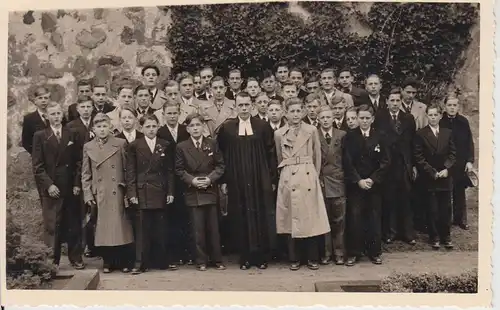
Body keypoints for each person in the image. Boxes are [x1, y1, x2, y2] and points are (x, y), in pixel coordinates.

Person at [217, 91, 277, 270]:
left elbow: (271, 153)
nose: (243, 109)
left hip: (259, 178)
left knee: (260, 215)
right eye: (240, 105)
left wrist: (271, 178)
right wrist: (224, 180)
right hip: (238, 179)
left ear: (252, 105)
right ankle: (245, 257)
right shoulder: (227, 128)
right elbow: (222, 155)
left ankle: (260, 257)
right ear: (235, 106)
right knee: (240, 215)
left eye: (246, 105)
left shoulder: (262, 126)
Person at [275, 97, 330, 271]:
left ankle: (312, 257)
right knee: (292, 218)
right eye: (292, 111)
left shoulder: (312, 130)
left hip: (307, 175)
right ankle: (295, 258)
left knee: (310, 218)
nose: (296, 114)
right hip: (289, 175)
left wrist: (315, 175)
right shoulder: (279, 133)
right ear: (286, 113)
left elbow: (317, 155)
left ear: (304, 112)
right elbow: (279, 157)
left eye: (299, 111)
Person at [32, 102, 85, 270]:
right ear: (47, 116)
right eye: (52, 114)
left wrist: (77, 183)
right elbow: (37, 166)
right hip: (52, 187)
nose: (56, 117)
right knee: (52, 224)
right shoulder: (40, 136)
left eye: (58, 114)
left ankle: (75, 257)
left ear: (62, 115)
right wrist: (49, 185)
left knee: (74, 223)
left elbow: (78, 161)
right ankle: (52, 261)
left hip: (70, 186)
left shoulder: (72, 134)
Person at [81, 113, 134, 273]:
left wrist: (127, 191)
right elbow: (86, 173)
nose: (102, 130)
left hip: (117, 190)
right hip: (100, 192)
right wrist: (88, 194)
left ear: (110, 127)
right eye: (98, 127)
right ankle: (107, 261)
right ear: (93, 129)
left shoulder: (120, 143)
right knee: (103, 229)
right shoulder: (88, 147)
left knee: (120, 228)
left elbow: (127, 169)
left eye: (105, 126)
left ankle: (123, 261)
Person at [175, 113, 227, 271]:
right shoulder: (181, 147)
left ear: (203, 126)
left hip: (210, 189)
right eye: (192, 126)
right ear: (188, 129)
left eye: (198, 125)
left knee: (213, 227)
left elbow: (220, 166)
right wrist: (192, 180)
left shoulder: (212, 143)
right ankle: (201, 260)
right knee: (197, 229)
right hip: (193, 191)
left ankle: (217, 259)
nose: (195, 128)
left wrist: (210, 179)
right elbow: (179, 169)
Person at [126, 114, 176, 274]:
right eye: (147, 126)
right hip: (142, 191)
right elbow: (131, 172)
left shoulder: (165, 144)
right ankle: (140, 263)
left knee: (161, 228)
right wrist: (132, 192)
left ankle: (162, 261)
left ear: (158, 127)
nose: (151, 129)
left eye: (154, 126)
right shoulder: (134, 145)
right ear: (141, 128)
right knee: (142, 229)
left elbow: (169, 171)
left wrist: (170, 191)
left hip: (160, 190)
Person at [343, 104, 391, 266]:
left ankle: (375, 252)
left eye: (366, 118)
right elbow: (347, 162)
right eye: (361, 118)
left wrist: (373, 179)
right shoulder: (350, 137)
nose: (364, 121)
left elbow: (386, 161)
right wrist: (358, 180)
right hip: (356, 185)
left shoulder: (381, 136)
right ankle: (354, 252)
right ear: (357, 119)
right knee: (355, 218)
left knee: (374, 217)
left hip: (374, 185)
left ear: (372, 119)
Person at [374, 88, 417, 245]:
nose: (394, 103)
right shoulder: (380, 117)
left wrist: (413, 165)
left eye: (397, 101)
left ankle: (407, 233)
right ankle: (390, 232)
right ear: (387, 102)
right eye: (392, 100)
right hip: (387, 165)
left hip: (404, 164)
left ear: (401, 102)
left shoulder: (408, 118)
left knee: (405, 199)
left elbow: (413, 143)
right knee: (389, 199)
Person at [414, 104, 456, 249]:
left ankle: (446, 235)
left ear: (440, 116)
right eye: (430, 115)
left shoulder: (447, 133)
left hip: (445, 176)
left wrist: (447, 169)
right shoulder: (421, 134)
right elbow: (418, 157)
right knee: (432, 208)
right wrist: (431, 171)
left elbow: (453, 154)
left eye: (435, 115)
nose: (432, 118)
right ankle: (434, 236)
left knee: (446, 208)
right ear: (426, 116)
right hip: (430, 177)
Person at [157, 103, 193, 265]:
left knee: (186, 216)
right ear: (163, 114)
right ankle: (173, 254)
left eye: (175, 113)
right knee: (170, 217)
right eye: (169, 113)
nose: (172, 116)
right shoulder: (160, 132)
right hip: (167, 179)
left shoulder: (186, 131)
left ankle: (187, 252)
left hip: (185, 178)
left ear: (179, 113)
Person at [317, 105, 347, 266]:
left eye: (328, 117)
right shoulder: (314, 135)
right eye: (323, 118)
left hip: (338, 182)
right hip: (321, 182)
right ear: (318, 119)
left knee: (339, 219)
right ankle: (326, 252)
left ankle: (339, 252)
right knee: (324, 219)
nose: (326, 120)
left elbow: (347, 159)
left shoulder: (342, 135)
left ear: (333, 118)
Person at [66, 95, 96, 258]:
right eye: (83, 107)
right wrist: (76, 182)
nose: (86, 110)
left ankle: (94, 247)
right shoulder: (71, 127)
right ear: (77, 109)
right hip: (78, 176)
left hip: (97, 174)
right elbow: (71, 158)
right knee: (78, 216)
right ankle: (77, 253)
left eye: (88, 107)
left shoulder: (98, 124)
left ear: (93, 108)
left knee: (95, 213)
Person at [439, 96, 475, 230]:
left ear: (458, 107)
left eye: (454, 105)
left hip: (460, 163)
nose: (452, 108)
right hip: (445, 163)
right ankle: (446, 219)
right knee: (446, 192)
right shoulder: (441, 121)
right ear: (445, 106)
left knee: (459, 191)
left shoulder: (463, 122)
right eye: (449, 105)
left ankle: (460, 219)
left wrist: (470, 161)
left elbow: (469, 143)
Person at [22, 86, 62, 155]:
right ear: (35, 101)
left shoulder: (58, 116)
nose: (43, 100)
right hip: (40, 158)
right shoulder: (29, 119)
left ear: (49, 100)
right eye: (40, 98)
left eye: (46, 98)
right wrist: (37, 155)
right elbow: (26, 142)